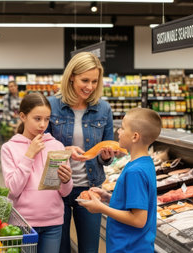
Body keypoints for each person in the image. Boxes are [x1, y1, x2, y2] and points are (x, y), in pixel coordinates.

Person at [46, 52, 115, 253]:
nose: (90, 86)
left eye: (95, 81)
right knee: (60, 248)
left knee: (90, 248)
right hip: (57, 187)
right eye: (85, 80)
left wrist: (106, 156)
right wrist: (63, 150)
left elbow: (106, 155)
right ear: (71, 77)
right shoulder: (51, 106)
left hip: (90, 187)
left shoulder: (103, 109)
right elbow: (40, 147)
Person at [79, 108, 162, 253]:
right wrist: (108, 198)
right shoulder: (144, 163)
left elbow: (138, 219)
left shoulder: (135, 171)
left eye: (123, 128)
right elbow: (134, 205)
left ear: (135, 137)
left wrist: (100, 208)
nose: (118, 131)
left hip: (128, 248)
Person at [1, 92, 73, 253]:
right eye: (37, 118)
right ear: (23, 116)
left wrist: (67, 180)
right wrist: (29, 155)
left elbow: (65, 192)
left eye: (47, 119)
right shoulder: (9, 148)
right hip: (22, 223)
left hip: (53, 222)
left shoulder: (57, 146)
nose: (43, 124)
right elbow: (12, 190)